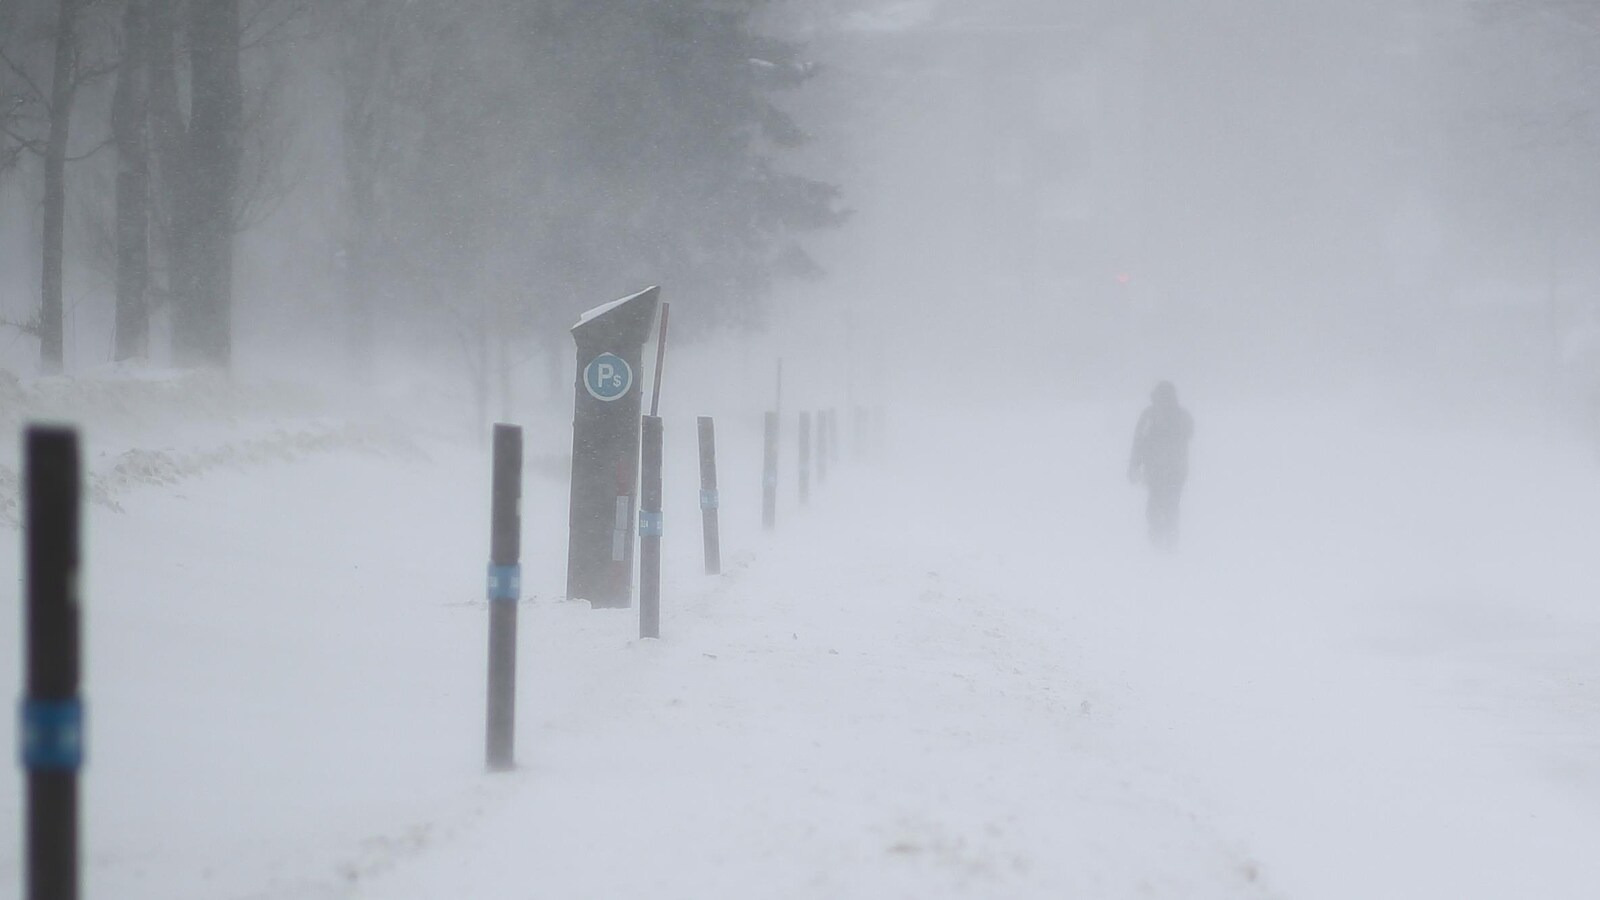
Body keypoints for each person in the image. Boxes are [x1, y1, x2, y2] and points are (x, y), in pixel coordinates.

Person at [1127, 381, 1194, 549]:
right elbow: (1189, 434)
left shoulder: (1150, 415)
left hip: (1160, 469)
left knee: (1157, 503)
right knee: (1170, 503)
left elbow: (1139, 441)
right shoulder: (1181, 415)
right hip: (1174, 470)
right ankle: (1168, 536)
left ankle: (1159, 537)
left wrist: (1134, 464)